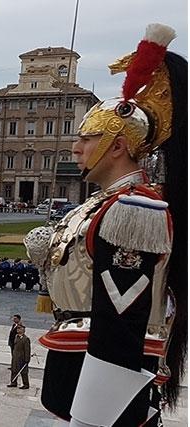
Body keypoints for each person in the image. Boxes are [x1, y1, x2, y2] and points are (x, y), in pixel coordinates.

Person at [24, 24, 186, 426]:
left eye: (87, 138)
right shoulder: (106, 203)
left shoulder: (134, 210)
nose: (75, 148)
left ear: (117, 145)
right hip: (78, 357)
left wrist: (95, 416)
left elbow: (121, 321)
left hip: (104, 375)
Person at [7, 325, 30, 390]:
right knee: (14, 370)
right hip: (15, 357)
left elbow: (27, 350)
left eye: (20, 329)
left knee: (23, 372)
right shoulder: (16, 337)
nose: (18, 330)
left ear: (23, 331)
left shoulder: (26, 339)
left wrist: (27, 359)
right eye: (18, 329)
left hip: (22, 358)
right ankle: (13, 382)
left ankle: (26, 384)